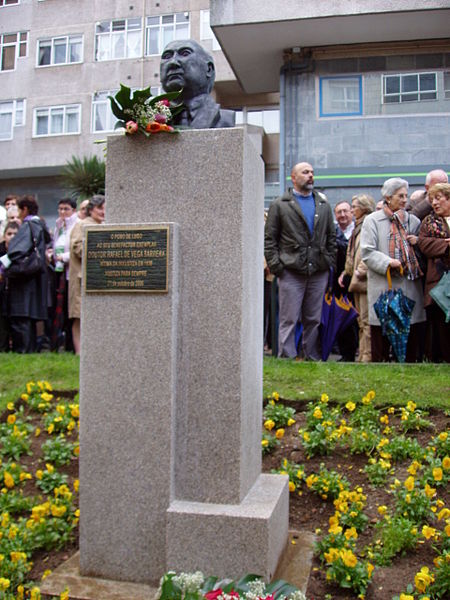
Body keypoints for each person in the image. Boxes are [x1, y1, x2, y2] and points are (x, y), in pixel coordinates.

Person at [264, 162, 336, 360]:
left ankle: (311, 356)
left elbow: (331, 237)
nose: (311, 175)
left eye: (312, 172)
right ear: (293, 178)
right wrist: (278, 267)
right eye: (305, 172)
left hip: (318, 271)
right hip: (291, 271)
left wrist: (328, 261)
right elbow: (270, 239)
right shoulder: (280, 204)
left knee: (313, 318)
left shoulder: (323, 204)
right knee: (289, 319)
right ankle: (287, 357)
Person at [360, 178, 425, 362]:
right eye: (400, 196)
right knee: (382, 331)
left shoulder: (413, 221)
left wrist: (417, 243)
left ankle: (409, 368)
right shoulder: (372, 221)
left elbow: (421, 251)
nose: (405, 200)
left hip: (409, 286)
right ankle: (381, 370)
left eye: (406, 196)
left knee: (410, 330)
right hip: (384, 287)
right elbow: (367, 251)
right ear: (388, 197)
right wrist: (389, 262)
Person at [0, 196, 51, 353]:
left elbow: (17, 250)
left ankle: (22, 352)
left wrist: (4, 263)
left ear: (25, 210)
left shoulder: (28, 225)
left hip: (24, 281)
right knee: (28, 319)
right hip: (35, 279)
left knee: (20, 317)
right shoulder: (40, 226)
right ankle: (29, 352)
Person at [160, 39, 235, 129]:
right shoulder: (150, 117)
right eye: (167, 56)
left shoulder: (225, 118)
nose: (173, 62)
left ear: (209, 69)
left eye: (185, 54)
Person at [338, 194, 376, 362]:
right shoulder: (358, 227)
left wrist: (360, 270)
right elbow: (352, 253)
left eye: (354, 206)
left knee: (366, 320)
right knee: (361, 319)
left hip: (364, 279)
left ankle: (367, 355)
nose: (352, 210)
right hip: (356, 279)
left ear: (364, 207)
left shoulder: (368, 224)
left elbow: (369, 250)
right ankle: (362, 355)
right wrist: (346, 272)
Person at [69, 195, 105, 354]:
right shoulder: (82, 225)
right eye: (100, 208)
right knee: (80, 317)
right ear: (91, 210)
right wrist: (100, 249)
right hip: (81, 279)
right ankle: (79, 352)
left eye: (105, 208)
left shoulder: (105, 226)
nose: (103, 212)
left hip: (99, 278)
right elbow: (77, 248)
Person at [418, 183, 450, 362]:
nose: (434, 203)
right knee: (440, 325)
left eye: (438, 198)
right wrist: (446, 245)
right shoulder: (428, 223)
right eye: (431, 200)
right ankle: (440, 361)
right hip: (438, 283)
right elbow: (424, 244)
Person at [48, 198, 78, 351]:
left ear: (73, 210)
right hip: (59, 271)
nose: (62, 212)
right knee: (60, 309)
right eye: (60, 209)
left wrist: (64, 257)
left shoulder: (76, 224)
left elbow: (75, 248)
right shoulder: (59, 225)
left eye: (66, 209)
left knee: (70, 311)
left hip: (70, 272)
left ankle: (71, 346)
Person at [334, 200, 357, 361]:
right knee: (340, 317)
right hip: (336, 282)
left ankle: (355, 351)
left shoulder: (357, 231)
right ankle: (345, 353)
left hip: (355, 279)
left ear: (351, 213)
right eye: (339, 212)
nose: (342, 215)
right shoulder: (333, 231)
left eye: (345, 211)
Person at [0, 221, 20, 351]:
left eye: (15, 234)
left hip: (16, 292)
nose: (12, 237)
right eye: (9, 234)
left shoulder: (22, 251)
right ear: (4, 235)